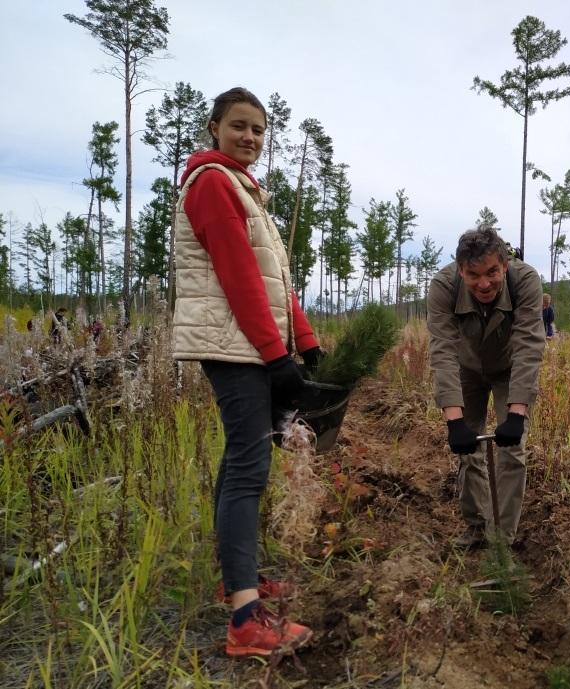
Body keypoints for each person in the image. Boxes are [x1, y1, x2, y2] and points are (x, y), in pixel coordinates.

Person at [172, 87, 325, 656]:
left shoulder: (242, 187)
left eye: (259, 130)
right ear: (215, 127)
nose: (250, 138)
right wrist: (275, 355)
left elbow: (275, 283)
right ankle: (245, 621)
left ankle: (237, 580)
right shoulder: (212, 182)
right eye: (239, 126)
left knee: (240, 460)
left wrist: (304, 342)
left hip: (248, 345)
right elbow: (238, 278)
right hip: (236, 349)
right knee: (247, 469)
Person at [427, 227, 545, 548]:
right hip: (467, 370)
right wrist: (454, 421)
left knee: (513, 450)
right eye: (474, 274)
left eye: (492, 272)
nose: (484, 283)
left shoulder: (525, 281)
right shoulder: (442, 287)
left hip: (509, 369)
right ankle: (476, 527)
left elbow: (529, 346)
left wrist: (516, 414)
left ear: (505, 265)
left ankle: (502, 539)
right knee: (468, 449)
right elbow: (442, 351)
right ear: (460, 270)